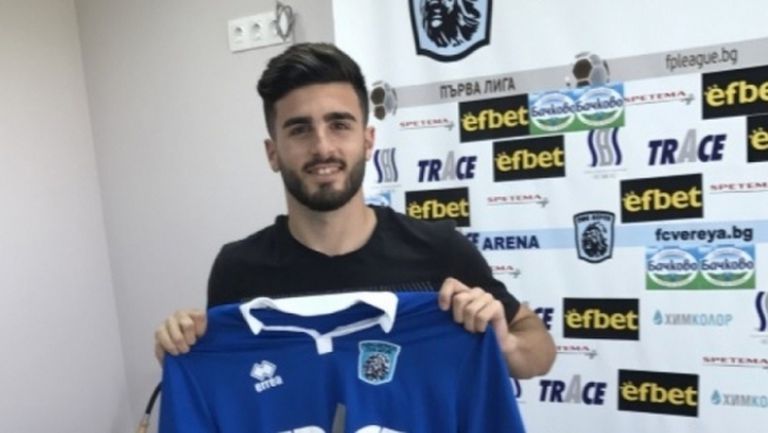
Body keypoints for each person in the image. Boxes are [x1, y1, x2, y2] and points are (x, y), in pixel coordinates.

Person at [154, 42, 555, 379]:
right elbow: (229, 379)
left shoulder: (438, 249)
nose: (322, 147)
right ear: (272, 153)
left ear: (367, 141)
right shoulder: (238, 268)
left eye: (339, 125)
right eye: (299, 129)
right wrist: (183, 349)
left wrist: (505, 344)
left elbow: (539, 350)